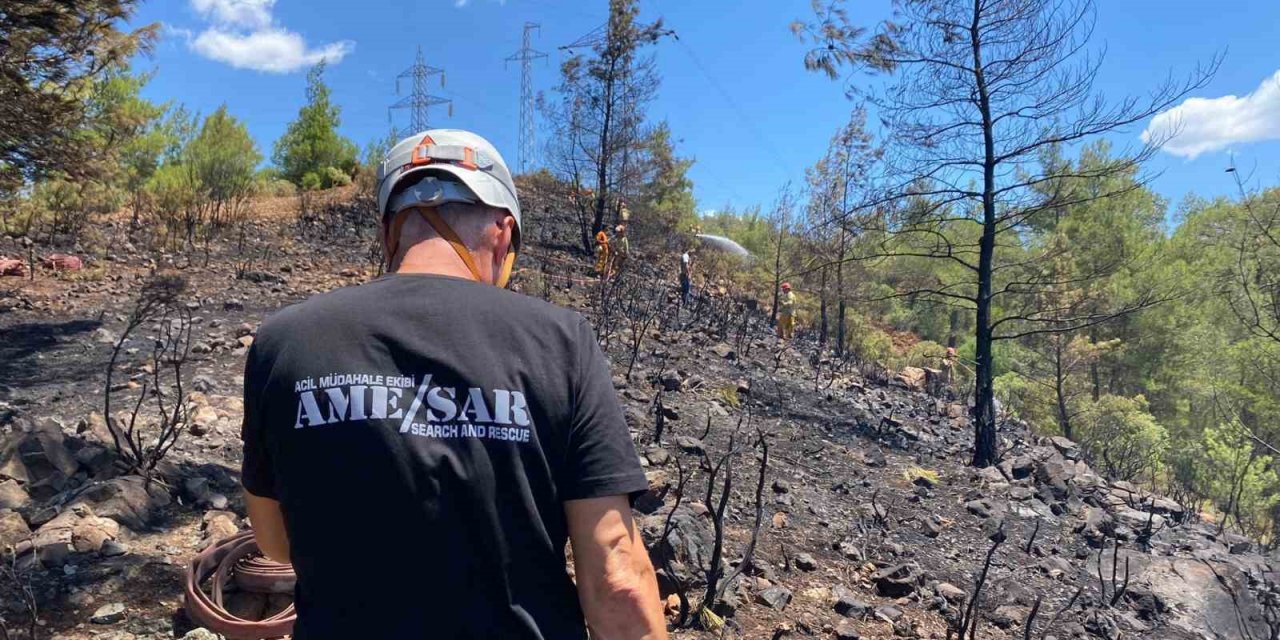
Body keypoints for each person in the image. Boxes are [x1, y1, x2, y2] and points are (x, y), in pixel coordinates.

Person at [240, 129, 667, 640]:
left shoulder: (285, 340)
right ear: (503, 233)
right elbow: (617, 581)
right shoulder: (561, 341)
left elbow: (275, 541)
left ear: (389, 234)